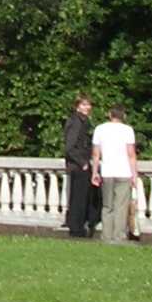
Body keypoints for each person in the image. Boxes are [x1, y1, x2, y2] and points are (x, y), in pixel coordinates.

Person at [90, 104, 140, 245]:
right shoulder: (127, 130)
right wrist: (134, 175)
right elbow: (131, 154)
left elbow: (95, 154)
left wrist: (94, 172)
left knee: (107, 206)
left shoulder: (100, 129)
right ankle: (118, 236)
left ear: (109, 114)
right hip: (123, 171)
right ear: (123, 115)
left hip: (107, 171)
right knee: (121, 206)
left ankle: (106, 236)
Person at [63, 94, 95, 239]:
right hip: (78, 166)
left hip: (79, 164)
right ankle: (76, 228)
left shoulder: (83, 121)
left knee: (80, 197)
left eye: (88, 105)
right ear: (77, 106)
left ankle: (78, 225)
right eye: (83, 105)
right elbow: (70, 147)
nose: (87, 108)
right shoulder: (76, 122)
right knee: (79, 197)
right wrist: (82, 163)